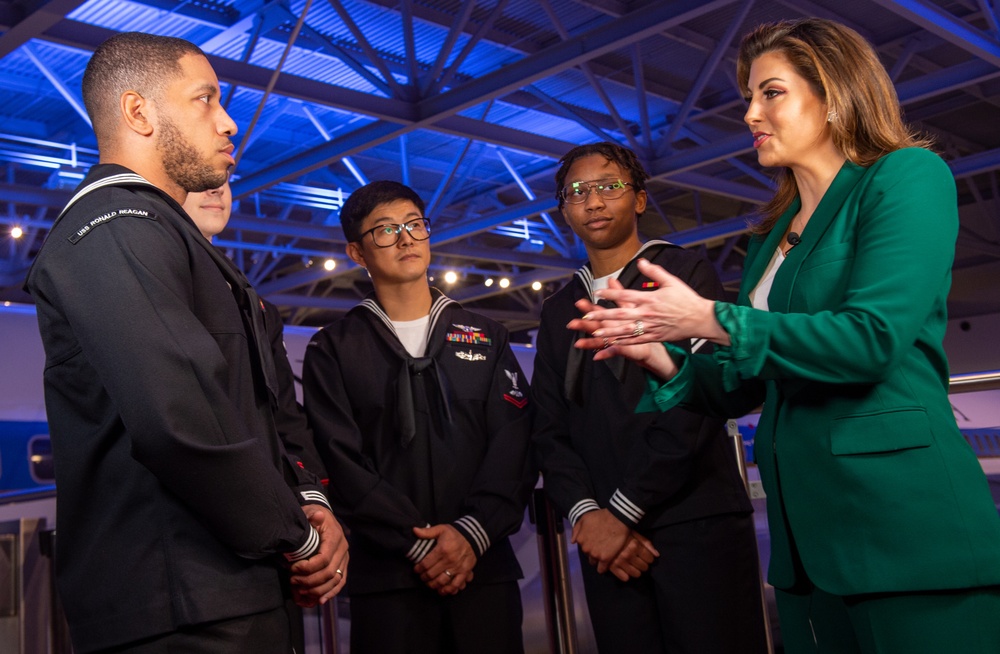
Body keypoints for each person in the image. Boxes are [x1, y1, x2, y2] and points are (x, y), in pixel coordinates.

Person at [570, 18, 1000, 653]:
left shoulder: (905, 176)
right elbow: (742, 384)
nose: (749, 113)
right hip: (807, 546)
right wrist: (660, 355)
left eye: (769, 93)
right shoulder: (770, 236)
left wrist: (709, 319)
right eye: (749, 96)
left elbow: (871, 339)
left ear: (834, 94)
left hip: (904, 529)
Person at [24, 32, 346, 653]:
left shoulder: (166, 238)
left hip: (235, 589)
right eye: (206, 99)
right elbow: (183, 420)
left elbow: (263, 411)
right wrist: (295, 535)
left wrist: (310, 506)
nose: (228, 123)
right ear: (139, 112)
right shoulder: (113, 228)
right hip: (180, 606)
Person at [531, 142, 767, 653]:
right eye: (578, 192)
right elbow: (549, 430)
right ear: (564, 209)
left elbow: (696, 404)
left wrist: (622, 511)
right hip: (604, 544)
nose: (593, 201)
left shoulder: (683, 274)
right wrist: (587, 514)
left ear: (639, 200)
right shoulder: (557, 311)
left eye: (609, 186)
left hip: (696, 521)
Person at [302, 180, 534, 653]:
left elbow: (516, 445)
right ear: (356, 252)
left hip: (483, 567)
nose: (406, 238)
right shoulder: (334, 348)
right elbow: (340, 462)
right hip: (389, 580)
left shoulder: (486, 337)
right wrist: (417, 543)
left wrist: (472, 533)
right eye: (385, 231)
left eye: (414, 225)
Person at [182, 182, 347, 650]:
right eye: (198, 182)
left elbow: (285, 422)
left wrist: (316, 506)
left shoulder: (256, 307)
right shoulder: (156, 297)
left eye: (223, 181)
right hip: (204, 571)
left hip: (273, 565)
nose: (216, 189)